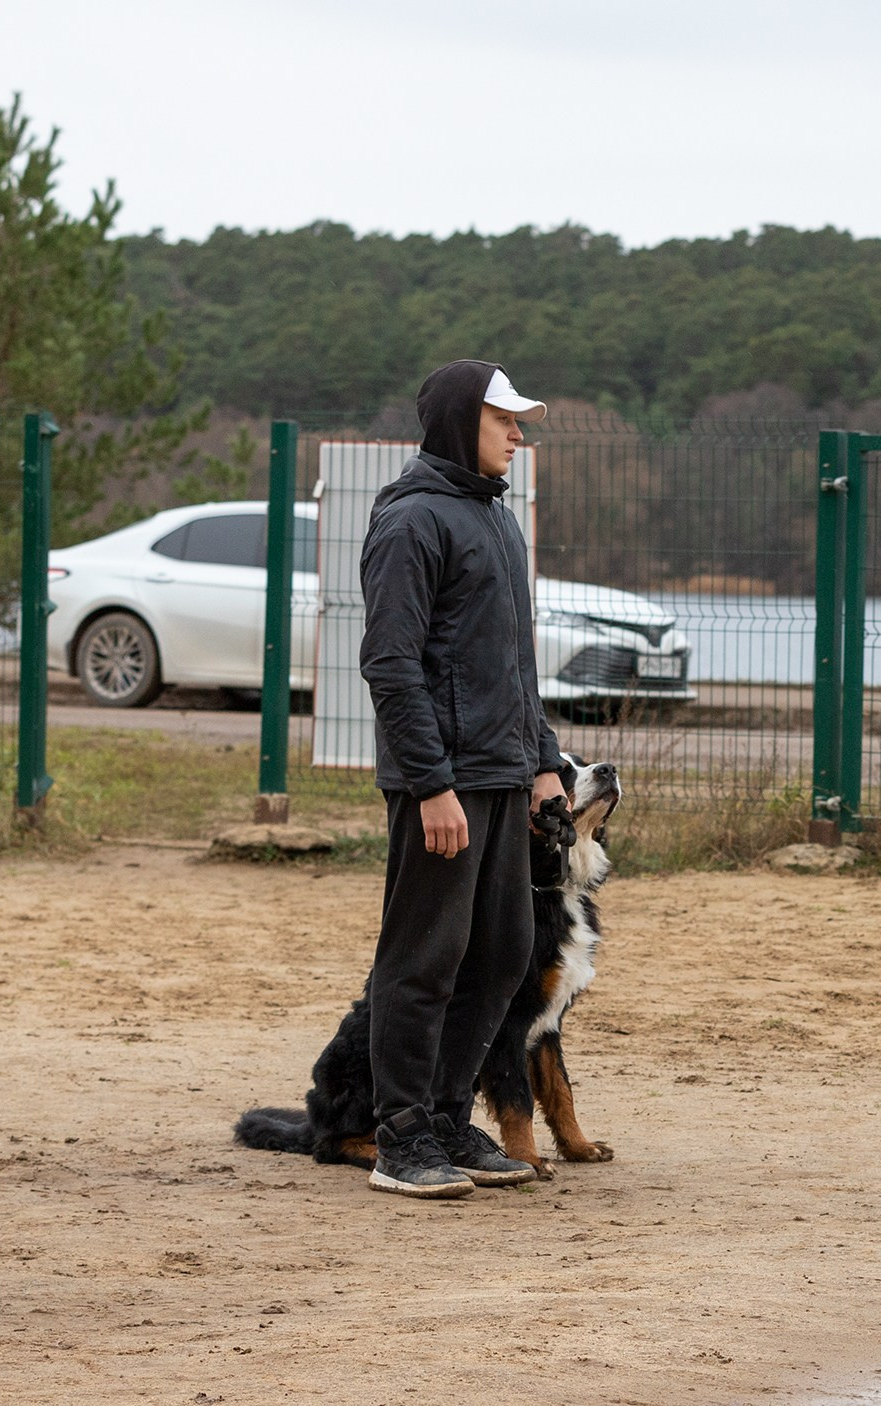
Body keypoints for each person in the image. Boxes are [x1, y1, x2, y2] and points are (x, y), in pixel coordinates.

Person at [357, 360, 569, 1198]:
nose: (520, 434)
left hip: (502, 771)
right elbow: (390, 664)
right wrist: (429, 782)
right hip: (440, 784)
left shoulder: (493, 518)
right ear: (458, 422)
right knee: (423, 958)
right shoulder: (411, 521)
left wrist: (544, 764)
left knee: (504, 953)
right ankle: (400, 1138)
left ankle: (448, 1118)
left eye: (519, 421)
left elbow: (515, 668)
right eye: (504, 421)